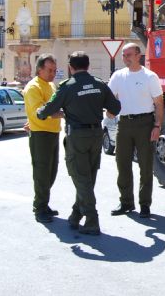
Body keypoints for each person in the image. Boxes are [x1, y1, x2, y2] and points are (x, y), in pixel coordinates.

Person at [37, 51, 121, 235]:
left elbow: (48, 110)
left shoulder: (67, 86)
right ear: (88, 66)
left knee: (80, 177)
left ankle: (92, 219)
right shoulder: (99, 84)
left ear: (70, 67)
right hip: (96, 135)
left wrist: (40, 111)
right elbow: (115, 107)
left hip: (77, 136)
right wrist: (105, 109)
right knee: (88, 177)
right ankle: (76, 214)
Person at [108, 43, 164, 219]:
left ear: (139, 55)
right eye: (124, 55)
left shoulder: (150, 76)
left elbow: (159, 103)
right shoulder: (118, 76)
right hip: (124, 124)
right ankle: (126, 202)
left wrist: (157, 126)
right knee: (122, 164)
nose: (126, 58)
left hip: (145, 123)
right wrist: (110, 110)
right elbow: (110, 98)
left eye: (129, 54)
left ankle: (144, 204)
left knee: (145, 166)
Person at [22, 54, 61, 224]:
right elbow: (39, 110)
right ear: (40, 69)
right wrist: (62, 114)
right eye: (50, 70)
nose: (53, 73)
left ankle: (44, 204)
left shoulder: (51, 85)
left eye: (54, 70)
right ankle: (39, 208)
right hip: (40, 134)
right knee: (42, 172)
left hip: (53, 132)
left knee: (51, 171)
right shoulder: (33, 87)